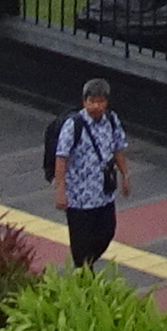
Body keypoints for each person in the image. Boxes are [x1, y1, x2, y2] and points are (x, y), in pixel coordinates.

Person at [43, 77, 132, 272]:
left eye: (101, 102)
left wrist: (125, 175)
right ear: (84, 101)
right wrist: (60, 190)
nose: (96, 106)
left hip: (103, 194)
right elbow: (61, 157)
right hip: (79, 198)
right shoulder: (74, 125)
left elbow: (118, 149)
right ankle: (84, 273)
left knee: (107, 232)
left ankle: (85, 268)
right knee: (81, 245)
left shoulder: (111, 120)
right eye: (92, 101)